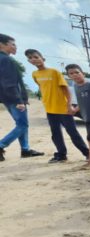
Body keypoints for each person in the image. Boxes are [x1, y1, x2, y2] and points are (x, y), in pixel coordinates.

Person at [25, 48, 89, 163]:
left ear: (42, 58)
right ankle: (61, 155)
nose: (33, 59)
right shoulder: (35, 74)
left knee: (73, 133)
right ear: (29, 61)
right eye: (30, 58)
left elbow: (65, 89)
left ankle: (87, 153)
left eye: (35, 57)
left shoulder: (54, 72)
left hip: (63, 109)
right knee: (55, 134)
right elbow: (41, 87)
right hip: (50, 109)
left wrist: (69, 105)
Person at [0, 33, 43, 161]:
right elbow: (10, 82)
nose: (15, 47)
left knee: (21, 123)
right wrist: (19, 100)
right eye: (12, 44)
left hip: (7, 98)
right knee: (23, 125)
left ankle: (25, 150)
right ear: (2, 44)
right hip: (13, 99)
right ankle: (1, 145)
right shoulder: (6, 60)